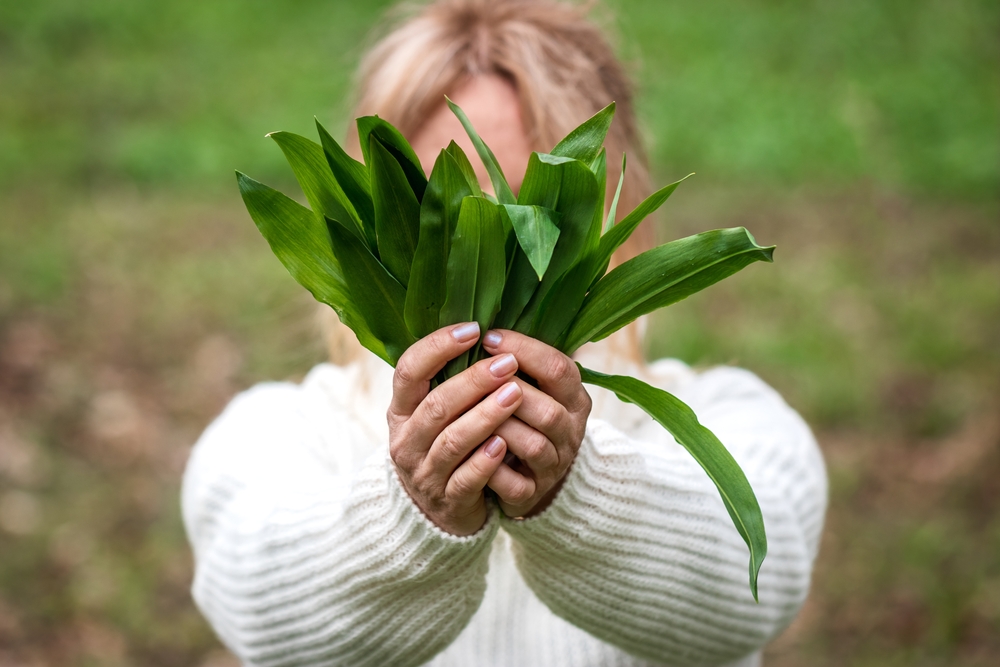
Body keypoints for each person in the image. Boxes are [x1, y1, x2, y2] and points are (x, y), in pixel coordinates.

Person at [181, 1, 828, 666]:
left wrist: (579, 488)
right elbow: (255, 596)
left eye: (535, 212)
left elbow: (757, 583)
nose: (489, 263)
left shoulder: (735, 422)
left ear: (619, 217)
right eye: (442, 213)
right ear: (369, 220)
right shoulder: (276, 435)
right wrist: (410, 511)